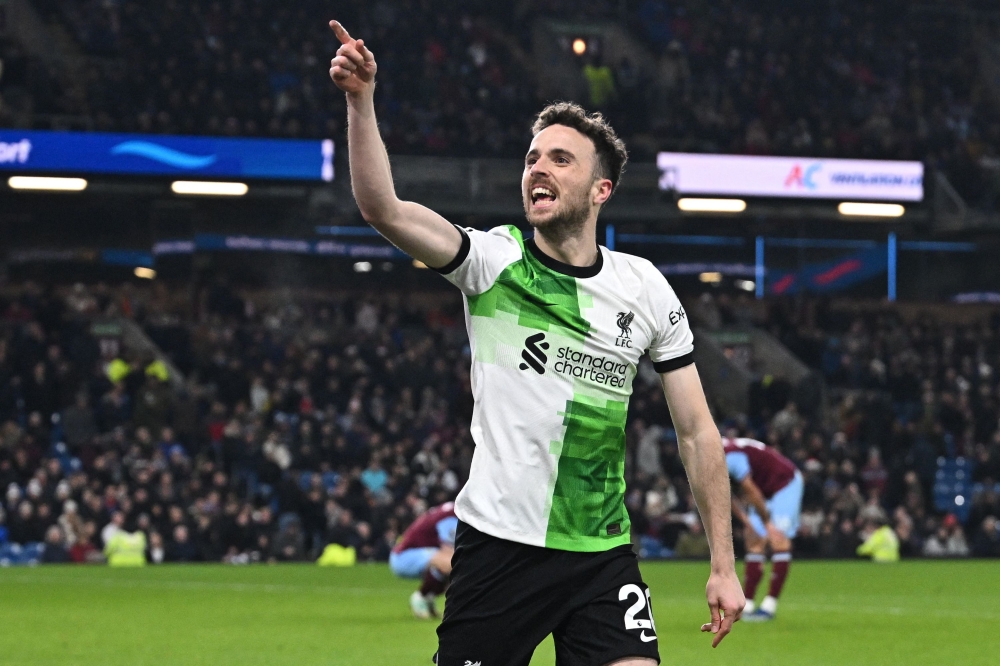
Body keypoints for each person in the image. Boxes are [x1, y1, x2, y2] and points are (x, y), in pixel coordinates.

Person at [328, 21, 744, 666]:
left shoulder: (646, 288)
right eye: (532, 158)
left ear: (600, 190)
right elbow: (385, 208)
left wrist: (723, 561)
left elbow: (696, 431)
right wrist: (361, 101)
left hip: (602, 553)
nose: (537, 170)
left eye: (560, 159)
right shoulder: (494, 261)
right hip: (499, 548)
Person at [725, 436, 803, 621]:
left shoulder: (730, 457)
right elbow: (722, 493)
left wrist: (767, 522)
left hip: (785, 483)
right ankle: (748, 604)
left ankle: (769, 605)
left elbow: (750, 489)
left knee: (778, 539)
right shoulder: (714, 452)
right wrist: (745, 520)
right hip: (764, 488)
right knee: (754, 541)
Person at [389, 502, 458, 619]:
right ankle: (421, 596)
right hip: (404, 556)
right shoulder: (451, 517)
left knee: (454, 563)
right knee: (452, 562)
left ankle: (429, 597)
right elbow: (448, 550)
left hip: (411, 554)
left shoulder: (451, 509)